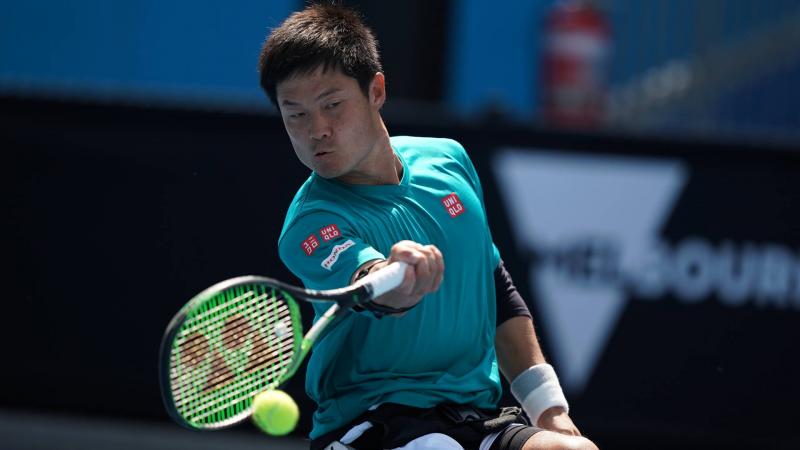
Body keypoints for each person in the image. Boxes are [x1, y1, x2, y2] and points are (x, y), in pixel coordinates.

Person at [258, 4, 598, 450]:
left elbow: (493, 287)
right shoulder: (311, 223)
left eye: (332, 105)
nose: (316, 130)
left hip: (476, 417)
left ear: (375, 91)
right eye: (295, 114)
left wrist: (549, 410)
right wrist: (395, 278)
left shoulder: (448, 161)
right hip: (374, 422)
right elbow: (373, 284)